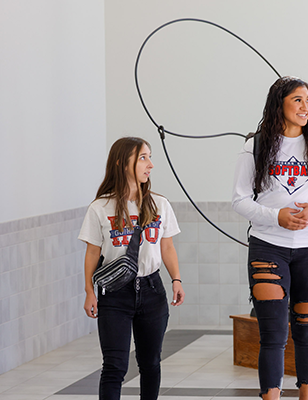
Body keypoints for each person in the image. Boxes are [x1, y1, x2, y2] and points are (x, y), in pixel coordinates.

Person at [232, 76, 308, 400]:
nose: (305, 106)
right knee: (272, 334)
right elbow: (239, 199)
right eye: (297, 99)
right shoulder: (255, 145)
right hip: (269, 246)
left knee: (306, 332)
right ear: (279, 104)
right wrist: (277, 216)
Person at [79, 136, 185, 400]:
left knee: (150, 364)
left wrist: (176, 279)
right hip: (114, 294)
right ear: (121, 163)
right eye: (143, 157)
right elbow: (92, 252)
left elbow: (167, 247)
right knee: (114, 367)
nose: (150, 164)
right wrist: (89, 292)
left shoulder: (159, 204)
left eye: (150, 157)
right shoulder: (100, 207)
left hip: (151, 289)